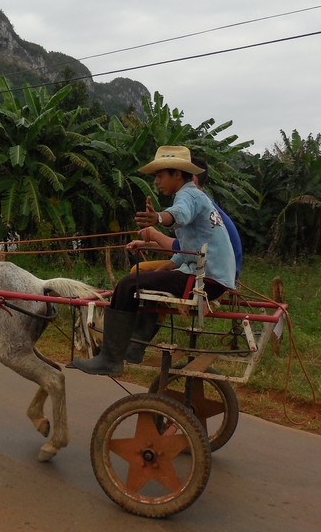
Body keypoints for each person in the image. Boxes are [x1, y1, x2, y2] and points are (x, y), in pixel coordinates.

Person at [69, 145, 236, 376]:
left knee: (127, 284)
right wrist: (165, 268)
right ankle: (132, 349)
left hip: (205, 279)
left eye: (160, 175)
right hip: (209, 276)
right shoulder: (197, 197)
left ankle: (110, 358)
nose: (156, 181)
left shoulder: (187, 195)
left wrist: (157, 217)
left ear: (177, 173)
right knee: (143, 281)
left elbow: (178, 214)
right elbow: (188, 248)